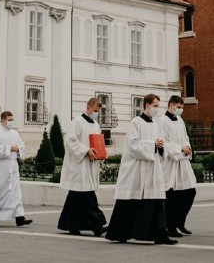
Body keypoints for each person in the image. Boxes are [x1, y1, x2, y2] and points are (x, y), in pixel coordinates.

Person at [105, 94, 174, 245]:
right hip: (136, 169)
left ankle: (160, 234)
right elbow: (133, 145)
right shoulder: (135, 122)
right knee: (131, 201)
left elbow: (162, 144)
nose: (157, 109)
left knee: (156, 201)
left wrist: (162, 147)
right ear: (147, 105)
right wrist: (153, 145)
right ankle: (121, 233)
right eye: (155, 106)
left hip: (152, 168)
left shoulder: (156, 124)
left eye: (158, 106)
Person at [58, 98, 107, 236]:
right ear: (88, 108)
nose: (96, 114)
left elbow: (97, 142)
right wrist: (86, 151)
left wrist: (102, 152)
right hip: (79, 165)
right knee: (87, 196)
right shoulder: (77, 122)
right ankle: (97, 225)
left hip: (90, 163)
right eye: (95, 111)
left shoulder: (96, 124)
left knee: (75, 197)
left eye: (98, 112)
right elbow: (70, 141)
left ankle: (70, 223)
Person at [157, 95, 197, 238]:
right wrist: (180, 149)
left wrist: (187, 148)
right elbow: (163, 142)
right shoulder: (162, 121)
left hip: (183, 162)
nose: (180, 110)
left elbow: (186, 138)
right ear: (171, 105)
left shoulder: (180, 120)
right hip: (171, 162)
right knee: (172, 195)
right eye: (178, 107)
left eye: (182, 107)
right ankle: (170, 226)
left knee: (190, 191)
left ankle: (180, 222)